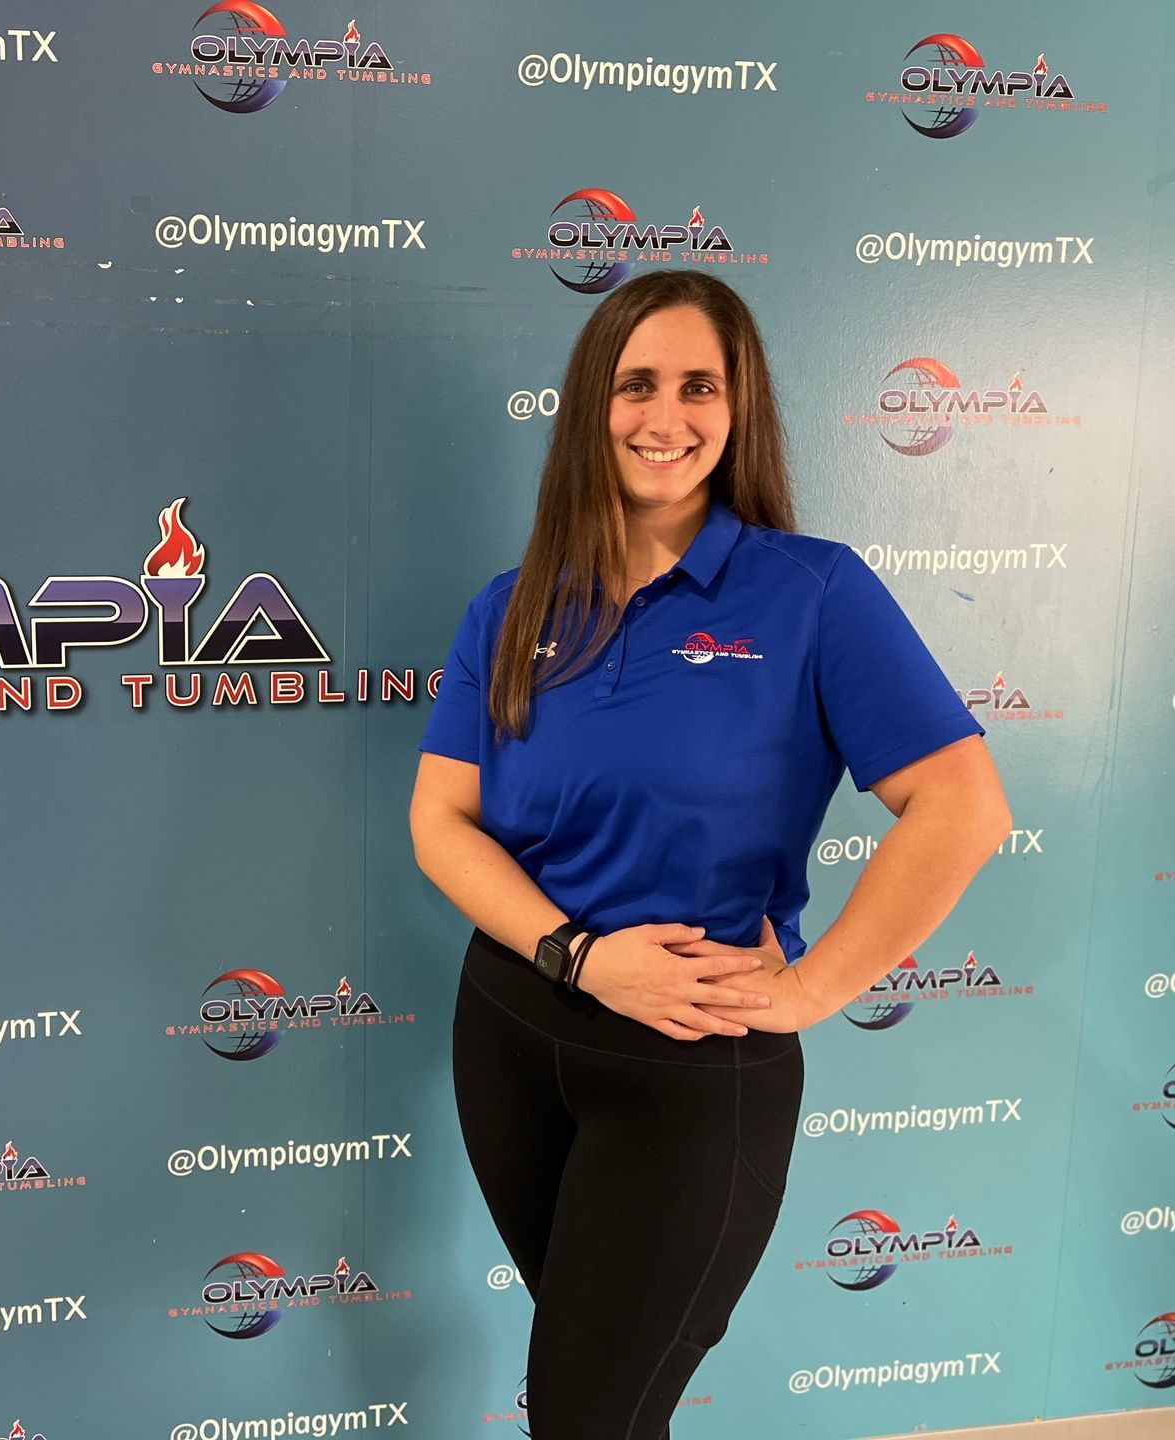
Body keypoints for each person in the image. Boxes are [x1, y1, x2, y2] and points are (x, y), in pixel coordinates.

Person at [408, 271, 1011, 1439]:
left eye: (699, 387)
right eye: (636, 384)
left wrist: (810, 988)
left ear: (739, 414)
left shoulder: (811, 593)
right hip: (513, 1033)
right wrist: (581, 957)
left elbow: (963, 805)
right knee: (604, 1396)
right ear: (594, 403)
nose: (664, 417)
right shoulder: (513, 605)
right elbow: (442, 821)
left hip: (691, 1072)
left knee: (590, 1416)